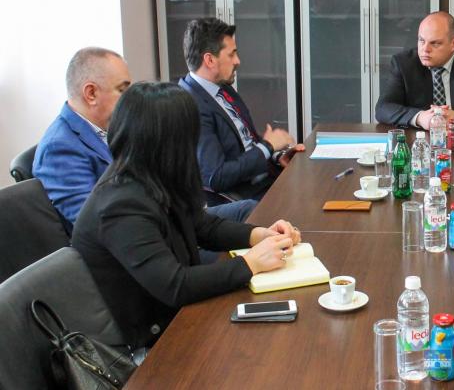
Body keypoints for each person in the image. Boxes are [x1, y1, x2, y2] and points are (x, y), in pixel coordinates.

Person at [72, 82, 302, 350]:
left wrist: (258, 235)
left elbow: (202, 226)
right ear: (171, 141)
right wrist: (250, 263)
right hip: (149, 341)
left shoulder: (150, 172)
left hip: (176, 315)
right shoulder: (119, 206)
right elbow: (175, 286)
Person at [33, 47, 256, 228]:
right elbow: (97, 223)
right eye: (122, 90)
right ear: (91, 94)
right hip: (138, 243)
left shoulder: (112, 127)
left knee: (249, 211)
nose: (131, 99)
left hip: (165, 218)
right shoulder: (59, 148)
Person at [178, 18, 304, 202]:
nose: (238, 61)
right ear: (210, 60)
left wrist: (277, 156)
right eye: (231, 55)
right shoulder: (191, 105)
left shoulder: (223, 88)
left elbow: (246, 143)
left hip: (265, 179)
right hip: (245, 198)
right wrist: (268, 147)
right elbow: (216, 177)